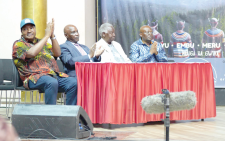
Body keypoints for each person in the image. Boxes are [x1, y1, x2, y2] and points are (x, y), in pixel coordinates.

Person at [12, 18, 77, 105]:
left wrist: (52, 35)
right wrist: (46, 36)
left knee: (73, 83)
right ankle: (50, 115)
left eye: (31, 28)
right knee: (51, 82)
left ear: (35, 29)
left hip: (52, 75)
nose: (29, 31)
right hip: (33, 77)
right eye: (25, 29)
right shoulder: (18, 44)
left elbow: (57, 53)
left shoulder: (43, 43)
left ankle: (69, 114)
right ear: (21, 32)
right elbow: (32, 53)